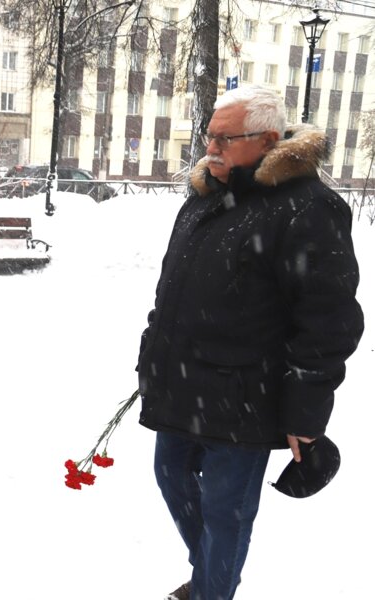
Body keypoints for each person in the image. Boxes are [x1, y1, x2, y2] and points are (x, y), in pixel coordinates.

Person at [136, 85, 364, 600]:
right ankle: (213, 570)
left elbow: (329, 320)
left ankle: (213, 589)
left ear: (265, 140)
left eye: (223, 139)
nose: (209, 147)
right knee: (170, 475)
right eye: (209, 136)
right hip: (180, 383)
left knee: (225, 511)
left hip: (244, 395)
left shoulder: (309, 207)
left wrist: (305, 411)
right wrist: (153, 355)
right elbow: (172, 287)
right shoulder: (206, 198)